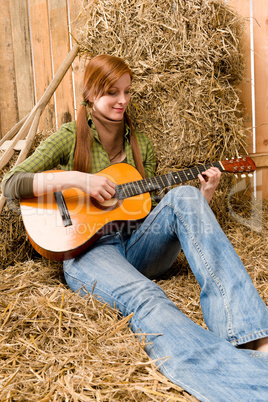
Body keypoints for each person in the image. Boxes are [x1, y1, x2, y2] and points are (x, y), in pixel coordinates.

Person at [2, 54, 268, 402]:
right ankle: (247, 386)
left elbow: (156, 212)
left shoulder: (142, 145)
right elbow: (11, 182)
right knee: (149, 298)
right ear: (90, 94)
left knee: (185, 195)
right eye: (112, 92)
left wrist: (203, 198)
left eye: (127, 92)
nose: (123, 101)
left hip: (138, 245)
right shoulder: (69, 137)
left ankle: (255, 337)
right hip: (88, 250)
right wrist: (79, 180)